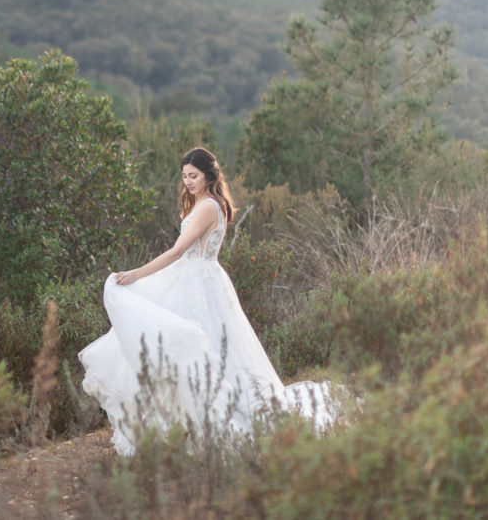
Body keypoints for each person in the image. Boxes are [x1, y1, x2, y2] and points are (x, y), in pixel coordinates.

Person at [78, 147, 331, 455]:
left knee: (196, 348)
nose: (188, 182)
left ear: (208, 175)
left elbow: (176, 252)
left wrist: (137, 274)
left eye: (193, 176)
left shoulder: (209, 207)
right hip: (200, 279)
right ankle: (181, 422)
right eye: (184, 176)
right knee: (179, 348)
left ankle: (208, 421)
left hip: (197, 284)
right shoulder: (209, 204)